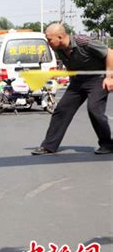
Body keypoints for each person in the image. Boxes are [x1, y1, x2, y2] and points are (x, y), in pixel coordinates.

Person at [32, 23, 113, 155]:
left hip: (97, 78)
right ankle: (49, 146)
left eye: (49, 39)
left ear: (60, 37)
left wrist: (109, 78)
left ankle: (107, 144)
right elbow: (71, 65)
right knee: (62, 109)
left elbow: (110, 54)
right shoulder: (58, 48)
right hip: (77, 81)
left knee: (94, 109)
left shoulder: (84, 41)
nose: (48, 43)